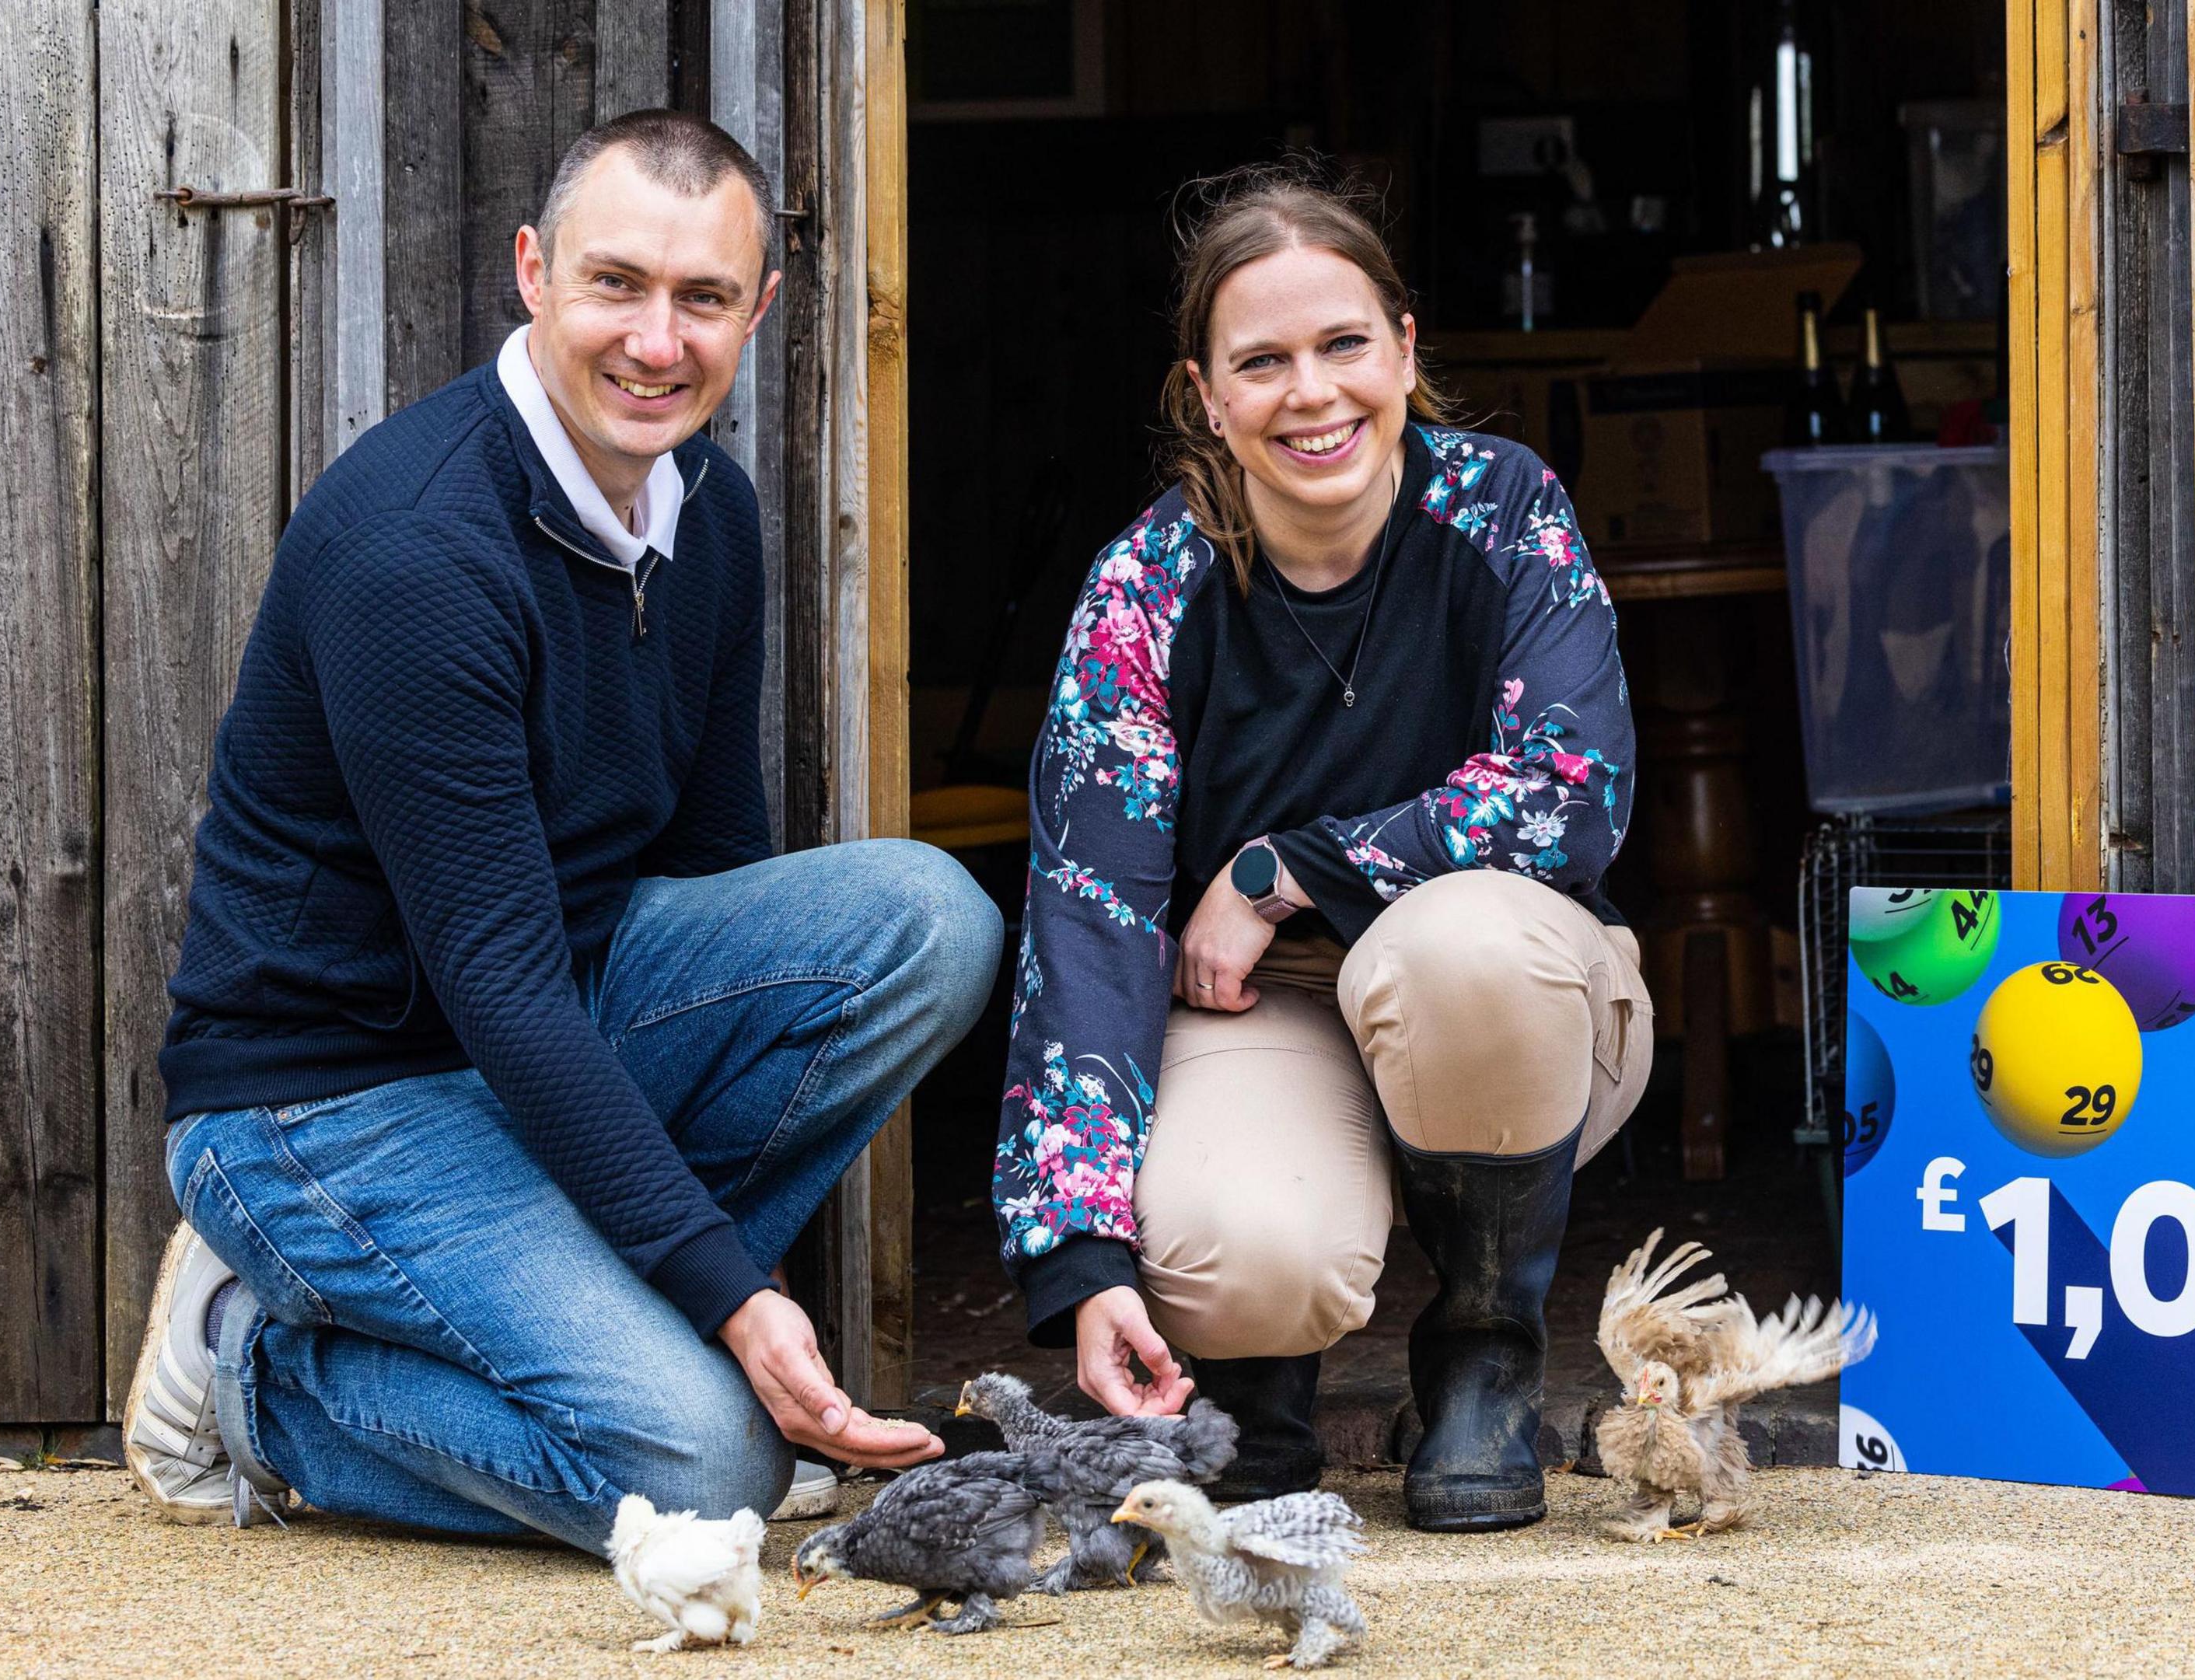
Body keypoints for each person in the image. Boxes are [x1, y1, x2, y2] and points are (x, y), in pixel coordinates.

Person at [121, 110, 999, 1553]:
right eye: (617, 284)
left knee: (927, 917)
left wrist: (699, 1263)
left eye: (704, 298)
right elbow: (497, 985)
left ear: (758, 308)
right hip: (330, 1094)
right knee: (708, 1473)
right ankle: (252, 1371)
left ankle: (624, 1334)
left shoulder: (707, 509)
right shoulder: (417, 547)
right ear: (532, 271)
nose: (659, 342)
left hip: (553, 1016)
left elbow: (713, 869)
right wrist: (728, 1289)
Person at [994, 163, 1652, 1534]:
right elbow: (1086, 911)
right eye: (1264, 361)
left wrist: (1282, 865)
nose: (1313, 392)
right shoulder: (1147, 586)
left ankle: (1484, 1356)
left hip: (1519, 992)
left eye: (1346, 343)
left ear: (1406, 348)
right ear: (1207, 395)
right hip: (1268, 1002)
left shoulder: (1504, 510)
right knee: (1242, 1251)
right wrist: (1079, 1250)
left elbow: (1573, 791)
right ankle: (1258, 1392)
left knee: (1467, 946)